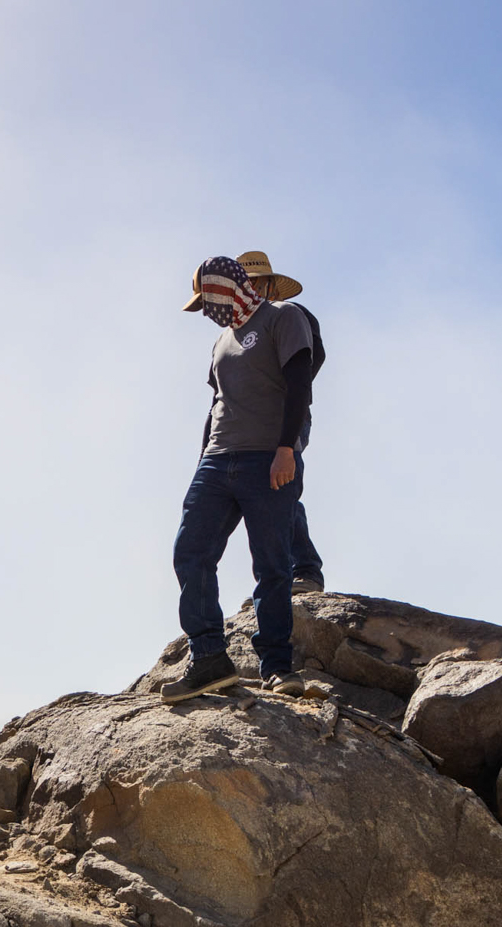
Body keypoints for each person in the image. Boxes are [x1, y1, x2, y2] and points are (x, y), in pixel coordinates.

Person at [160, 254, 323, 703]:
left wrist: (287, 449)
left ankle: (276, 667)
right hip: (217, 460)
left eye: (207, 300)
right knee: (189, 553)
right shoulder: (219, 343)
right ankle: (209, 657)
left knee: (271, 566)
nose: (205, 312)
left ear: (226, 288)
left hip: (265, 457)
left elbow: (299, 386)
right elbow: (217, 406)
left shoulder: (284, 318)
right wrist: (201, 460)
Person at [238, 250, 327, 594]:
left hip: (284, 417)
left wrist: (283, 392)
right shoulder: (239, 331)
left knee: (281, 491)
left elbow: (311, 360)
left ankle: (305, 570)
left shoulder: (292, 315)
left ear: (268, 285)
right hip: (246, 426)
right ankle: (277, 582)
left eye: (253, 283)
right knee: (259, 501)